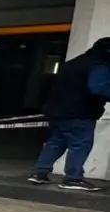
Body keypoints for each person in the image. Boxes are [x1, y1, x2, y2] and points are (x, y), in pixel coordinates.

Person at [30, 36, 110, 192]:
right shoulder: (99, 66)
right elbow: (99, 88)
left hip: (57, 111)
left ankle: (39, 173)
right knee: (80, 145)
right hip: (80, 112)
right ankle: (73, 179)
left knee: (56, 142)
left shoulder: (74, 63)